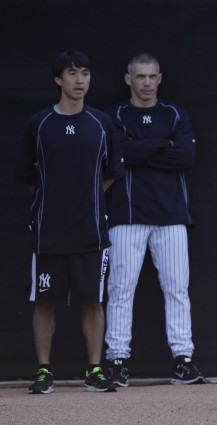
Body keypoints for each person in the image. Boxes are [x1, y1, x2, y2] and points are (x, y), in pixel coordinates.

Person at [15, 49, 124, 394]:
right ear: (58, 79)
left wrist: (85, 200)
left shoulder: (101, 123)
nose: (80, 80)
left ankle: (95, 369)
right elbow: (30, 178)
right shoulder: (40, 123)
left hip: (91, 231)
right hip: (49, 231)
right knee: (44, 302)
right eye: (73, 73)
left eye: (85, 73)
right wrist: (56, 201)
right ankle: (43, 371)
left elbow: (110, 174)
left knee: (93, 301)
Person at [103, 53, 203, 386]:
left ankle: (183, 360)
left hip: (171, 216)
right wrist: (162, 144)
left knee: (177, 289)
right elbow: (118, 155)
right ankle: (117, 359)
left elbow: (185, 156)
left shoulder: (174, 113)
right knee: (120, 289)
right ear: (128, 79)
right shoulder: (115, 115)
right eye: (140, 76)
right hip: (127, 215)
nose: (146, 83)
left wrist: (140, 148)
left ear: (159, 79)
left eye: (151, 76)